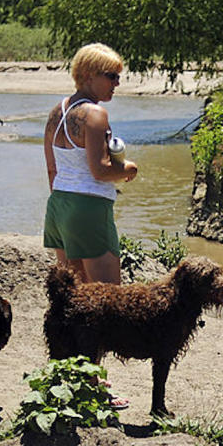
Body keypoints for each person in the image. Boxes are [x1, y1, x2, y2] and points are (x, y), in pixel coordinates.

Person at [42, 43, 138, 285]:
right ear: (87, 75)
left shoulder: (57, 112)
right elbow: (100, 170)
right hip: (89, 206)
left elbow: (52, 169)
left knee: (74, 299)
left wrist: (68, 206)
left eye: (118, 76)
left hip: (59, 206)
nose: (117, 83)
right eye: (111, 76)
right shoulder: (95, 114)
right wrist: (128, 168)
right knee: (108, 299)